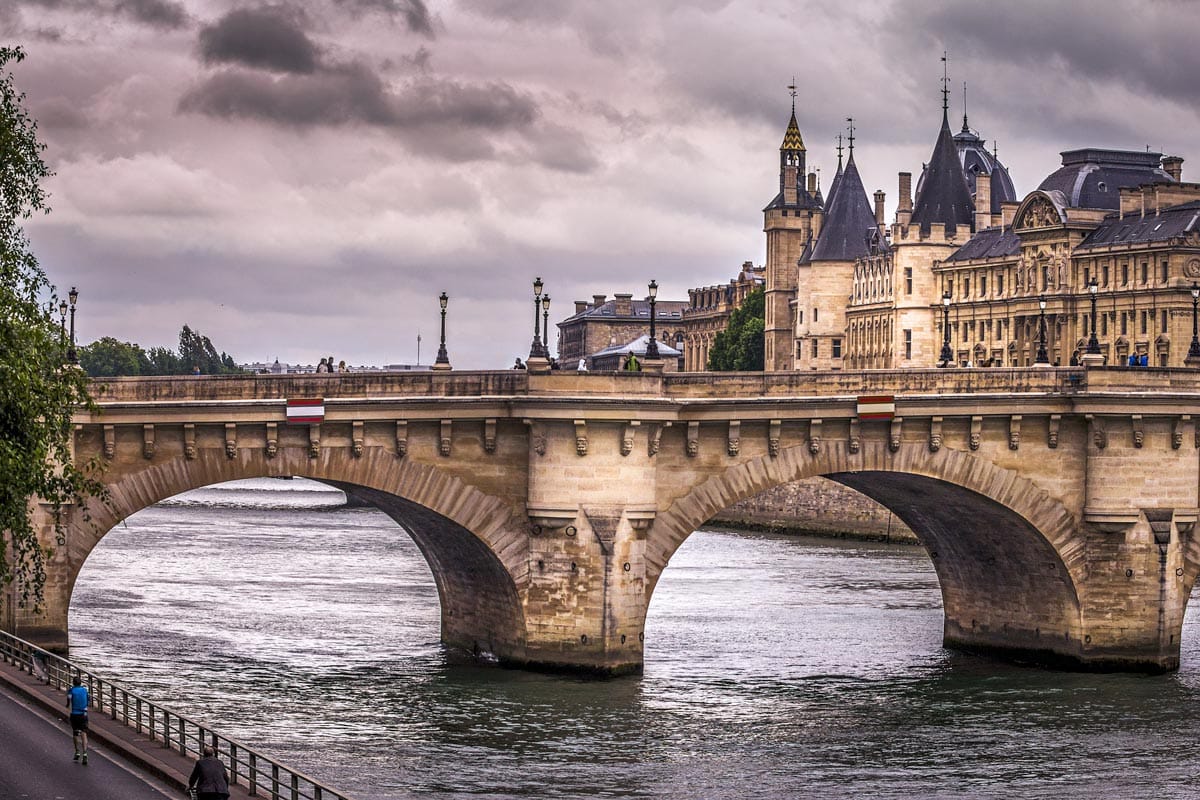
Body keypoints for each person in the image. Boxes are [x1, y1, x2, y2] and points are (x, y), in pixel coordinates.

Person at [66, 675, 88, 764]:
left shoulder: (71, 690)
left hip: (74, 714)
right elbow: (87, 701)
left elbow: (69, 699)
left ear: (73, 683)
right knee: (84, 732)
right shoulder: (84, 690)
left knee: (75, 732)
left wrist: (67, 705)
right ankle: (85, 753)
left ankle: (77, 751)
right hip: (84, 714)